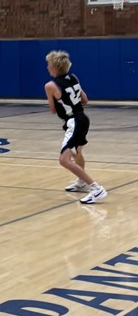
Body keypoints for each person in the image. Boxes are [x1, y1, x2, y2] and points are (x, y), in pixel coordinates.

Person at [44, 49, 106, 204]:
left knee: (64, 160)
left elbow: (53, 110)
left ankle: (96, 189)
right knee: (77, 153)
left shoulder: (50, 86)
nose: (47, 67)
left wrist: (59, 100)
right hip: (83, 118)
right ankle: (81, 182)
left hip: (74, 122)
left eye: (48, 65)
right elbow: (85, 100)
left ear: (54, 67)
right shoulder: (73, 78)